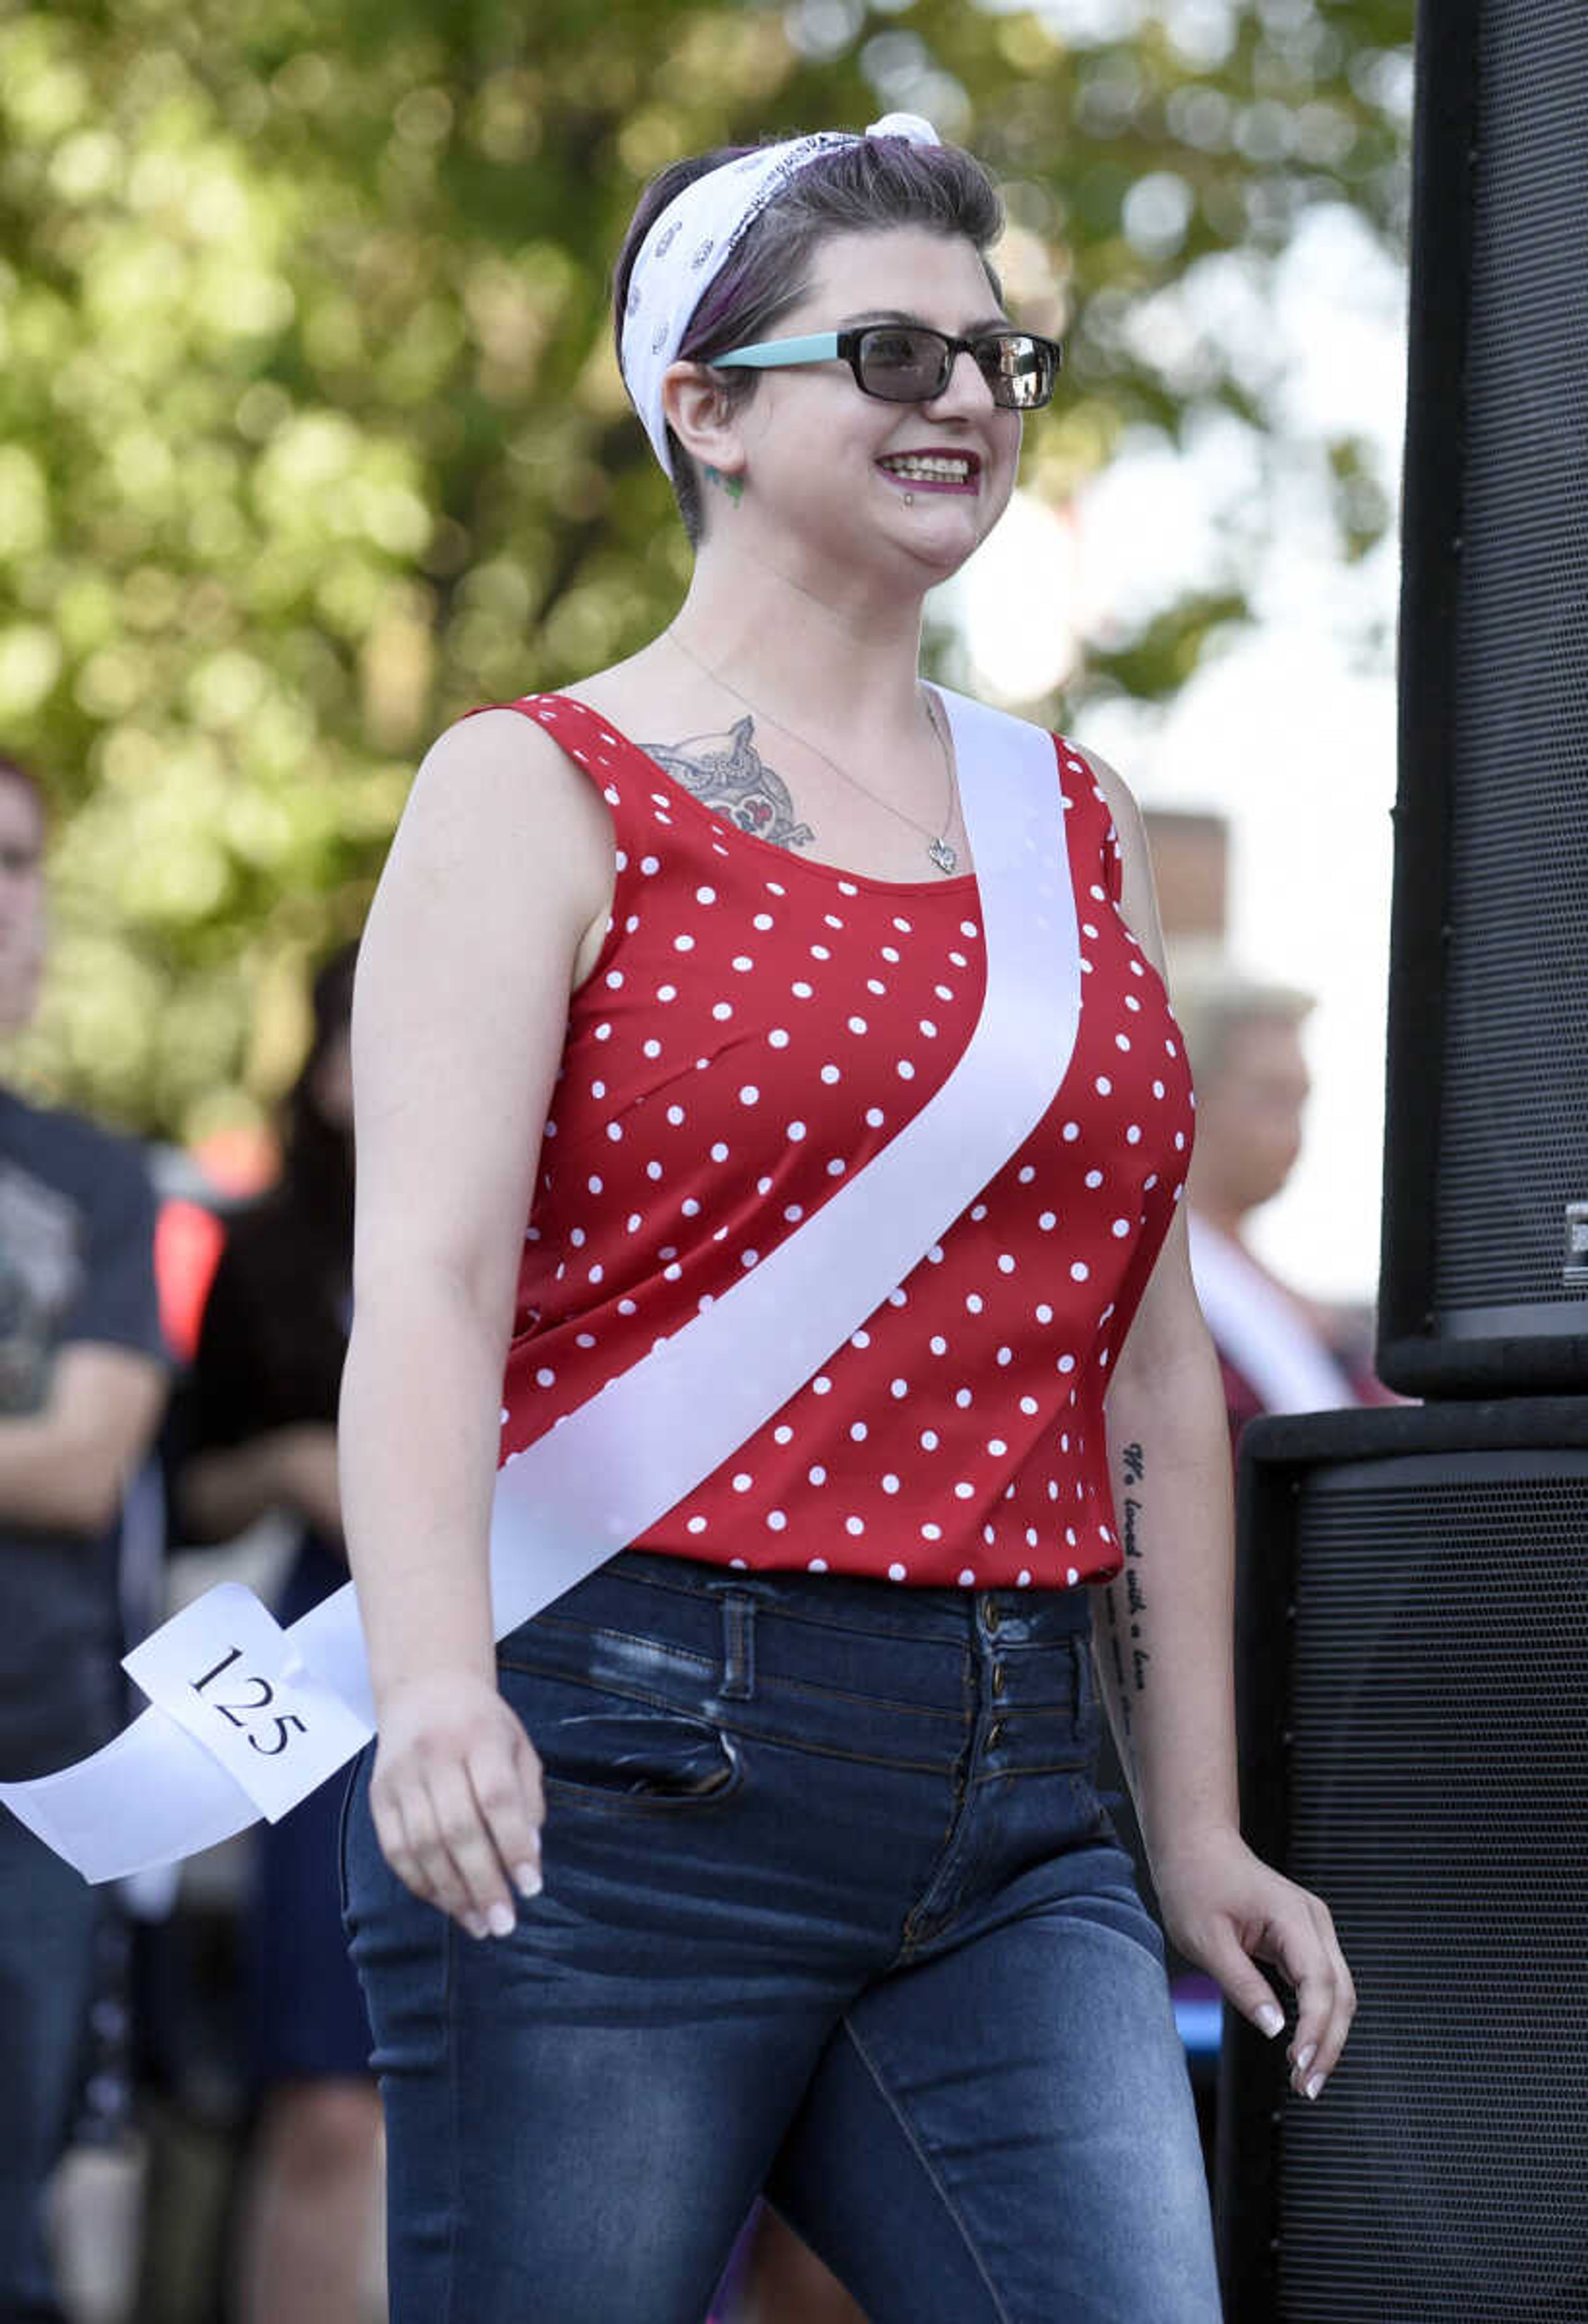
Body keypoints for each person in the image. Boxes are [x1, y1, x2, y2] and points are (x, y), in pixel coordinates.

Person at [337, 117, 1355, 2322]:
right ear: (701, 402)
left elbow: (1150, 1351)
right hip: (614, 1766)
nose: (971, 395)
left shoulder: (1067, 814)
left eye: (1004, 353)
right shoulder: (534, 784)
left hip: (1020, 1793)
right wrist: (428, 1683)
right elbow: (425, 1277)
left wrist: (1192, 1823)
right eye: (893, 348)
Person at [177, 943, 383, 2324]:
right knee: (325, 2087)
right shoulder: (270, 1249)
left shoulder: (572, 1236)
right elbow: (186, 1488)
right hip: (323, 1672)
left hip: (532, 1665)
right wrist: (297, 1466)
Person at [0, 750, 169, 2321]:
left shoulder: (95, 1177)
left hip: (37, 1782)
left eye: (20, 860)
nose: (9, 900)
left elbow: (84, 1460)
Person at [1174, 960, 1397, 1447]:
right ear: (1189, 1097)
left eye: (1301, 1103)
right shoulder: (1161, 1293)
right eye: (1272, 1099)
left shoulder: (1273, 1291)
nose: (1295, 1135)